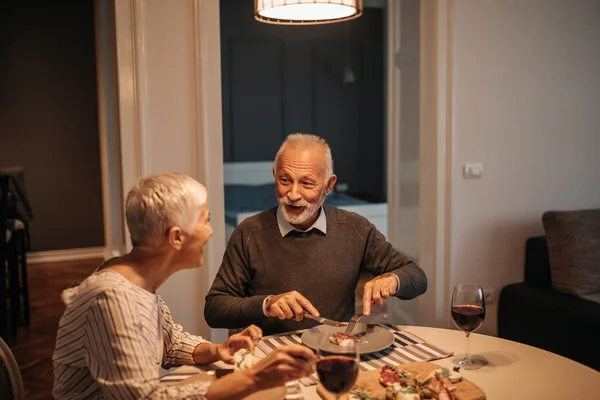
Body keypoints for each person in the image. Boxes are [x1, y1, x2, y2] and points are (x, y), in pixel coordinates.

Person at [52, 173, 315, 400]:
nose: (211, 231)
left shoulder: (134, 278)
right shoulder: (114, 299)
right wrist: (257, 377)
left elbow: (169, 342)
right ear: (177, 237)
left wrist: (216, 351)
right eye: (205, 220)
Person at [204, 133, 427, 336]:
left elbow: (417, 277)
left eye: (306, 183)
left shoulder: (355, 229)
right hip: (270, 360)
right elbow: (214, 308)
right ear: (274, 176)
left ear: (328, 186)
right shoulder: (249, 233)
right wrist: (267, 304)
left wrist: (393, 280)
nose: (292, 194)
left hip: (334, 354)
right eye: (285, 180)